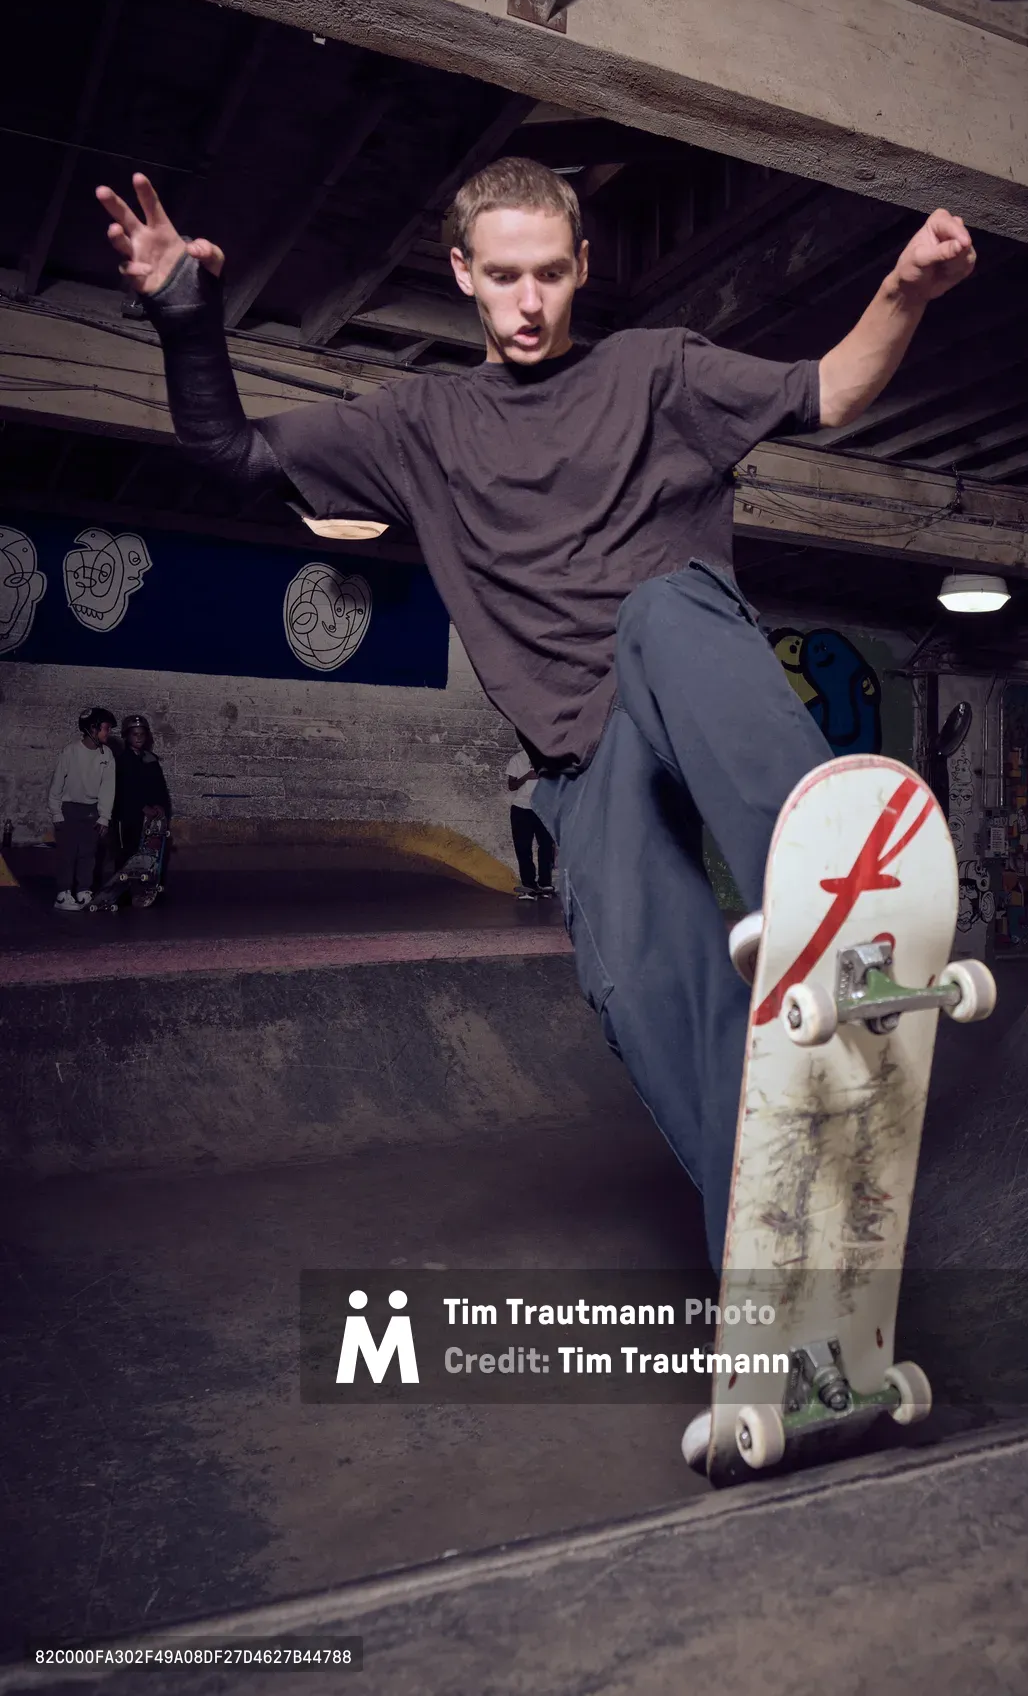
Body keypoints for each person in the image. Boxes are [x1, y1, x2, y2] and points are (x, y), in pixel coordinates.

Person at [96, 160, 975, 1267]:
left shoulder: (659, 373)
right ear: (462, 272)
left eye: (550, 275)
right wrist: (183, 316)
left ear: (581, 269)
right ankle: (778, 1267)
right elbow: (231, 456)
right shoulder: (419, 425)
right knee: (644, 992)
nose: (527, 303)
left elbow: (831, 390)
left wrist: (904, 288)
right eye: (503, 276)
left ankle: (833, 911)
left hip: (685, 681)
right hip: (586, 759)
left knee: (659, 609)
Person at [49, 706, 116, 911]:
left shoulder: (107, 755)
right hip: (69, 810)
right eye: (106, 728)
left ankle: (83, 891)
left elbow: (108, 787)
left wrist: (104, 817)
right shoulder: (70, 752)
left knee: (88, 853)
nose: (109, 732)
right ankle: (63, 894)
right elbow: (56, 784)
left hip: (92, 811)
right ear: (92, 729)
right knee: (68, 853)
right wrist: (56, 812)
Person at [113, 713, 172, 870]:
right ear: (127, 736)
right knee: (128, 854)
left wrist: (160, 806)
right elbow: (123, 789)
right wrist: (141, 807)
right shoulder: (122, 761)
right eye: (135, 734)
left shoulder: (151, 760)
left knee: (151, 856)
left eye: (142, 734)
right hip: (130, 818)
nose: (139, 738)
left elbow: (160, 787)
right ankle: (123, 890)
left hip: (152, 819)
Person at [507, 742, 556, 899]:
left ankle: (545, 883)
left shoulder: (547, 757)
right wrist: (527, 777)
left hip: (543, 807)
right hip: (521, 808)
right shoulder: (517, 759)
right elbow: (511, 786)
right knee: (523, 847)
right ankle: (529, 885)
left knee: (547, 845)